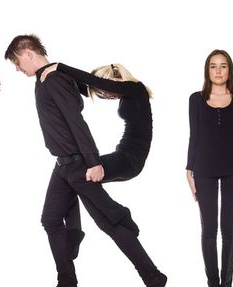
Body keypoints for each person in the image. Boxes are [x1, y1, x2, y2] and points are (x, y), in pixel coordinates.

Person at [4, 34, 166, 287]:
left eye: (17, 62)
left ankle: (147, 267)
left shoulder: (133, 90)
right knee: (51, 219)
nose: (18, 69)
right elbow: (87, 88)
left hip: (102, 159)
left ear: (28, 53)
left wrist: (92, 161)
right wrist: (56, 71)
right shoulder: (46, 79)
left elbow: (76, 120)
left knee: (107, 221)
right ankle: (68, 281)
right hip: (67, 162)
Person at [41, 61, 155, 263]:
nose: (106, 96)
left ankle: (120, 215)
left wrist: (60, 67)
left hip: (130, 160)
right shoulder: (125, 93)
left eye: (105, 91)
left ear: (114, 79)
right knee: (71, 174)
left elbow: (93, 82)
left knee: (75, 170)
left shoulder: (135, 89)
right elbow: (88, 86)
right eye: (102, 95)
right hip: (124, 156)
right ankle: (75, 231)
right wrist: (62, 80)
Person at [186, 49, 233, 287]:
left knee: (230, 229)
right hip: (203, 168)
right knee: (209, 229)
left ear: (229, 70)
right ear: (207, 70)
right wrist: (188, 169)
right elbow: (194, 135)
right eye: (213, 66)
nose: (218, 71)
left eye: (223, 66)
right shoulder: (195, 99)